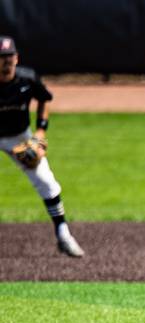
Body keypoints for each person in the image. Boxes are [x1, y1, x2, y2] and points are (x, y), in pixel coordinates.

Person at [0, 36, 84, 257]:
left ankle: (63, 234)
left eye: (9, 57)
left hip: (19, 136)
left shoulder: (27, 79)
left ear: (17, 58)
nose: (6, 62)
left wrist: (40, 131)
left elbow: (44, 98)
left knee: (47, 182)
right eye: (1, 57)